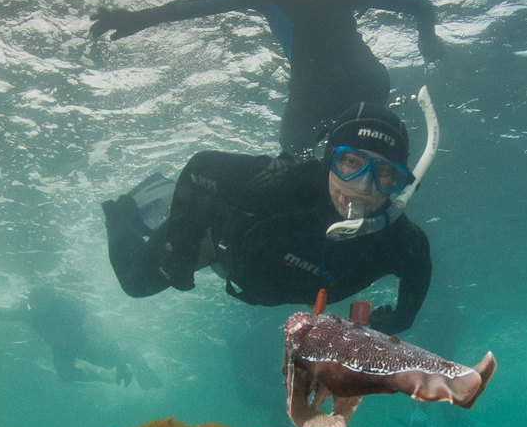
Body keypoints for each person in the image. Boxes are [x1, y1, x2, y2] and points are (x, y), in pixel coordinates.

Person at [102, 104, 431, 335]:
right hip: (216, 234)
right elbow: (199, 167)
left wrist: (398, 320)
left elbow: (418, 272)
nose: (363, 186)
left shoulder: (401, 243)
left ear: (400, 183)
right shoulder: (282, 182)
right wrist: (180, 244)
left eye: (385, 172)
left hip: (256, 275)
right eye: (350, 162)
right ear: (329, 158)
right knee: (135, 283)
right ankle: (121, 212)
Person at [90, 0, 445, 156]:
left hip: (313, 92)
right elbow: (421, 7)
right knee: (365, 151)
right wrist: (428, 43)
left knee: (294, 155)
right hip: (370, 83)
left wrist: (139, 18)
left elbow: (201, 5)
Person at [26, 286, 160, 388]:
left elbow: (94, 329)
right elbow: (7, 314)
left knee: (108, 362)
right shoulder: (29, 312)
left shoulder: (65, 306)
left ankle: (131, 354)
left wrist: (120, 364)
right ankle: (102, 377)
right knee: (65, 375)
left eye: (41, 300)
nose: (38, 305)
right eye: (34, 302)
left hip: (80, 342)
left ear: (49, 298)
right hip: (62, 348)